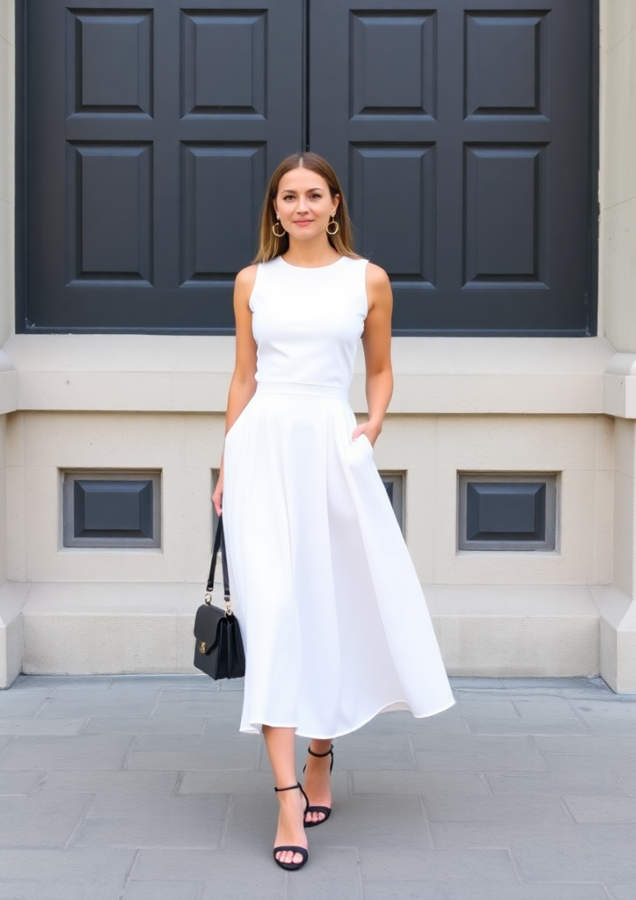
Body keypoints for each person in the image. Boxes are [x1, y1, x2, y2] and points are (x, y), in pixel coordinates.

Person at [212, 153, 454, 871]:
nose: (301, 206)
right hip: (261, 452)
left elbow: (379, 368)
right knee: (275, 613)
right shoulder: (252, 282)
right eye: (288, 196)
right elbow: (243, 376)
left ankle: (321, 752)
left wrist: (372, 423)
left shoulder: (366, 280)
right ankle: (288, 796)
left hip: (328, 450)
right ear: (274, 209)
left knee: (332, 606)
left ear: (335, 203)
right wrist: (226, 462)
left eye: (313, 194)